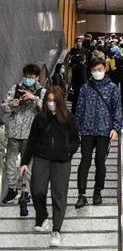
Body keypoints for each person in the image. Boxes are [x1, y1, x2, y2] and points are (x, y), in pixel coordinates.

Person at [19, 86, 79, 247]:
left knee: (59, 195)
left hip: (62, 162)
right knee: (37, 190)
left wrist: (68, 152)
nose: (51, 103)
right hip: (41, 158)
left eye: (54, 101)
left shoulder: (69, 119)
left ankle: (56, 230)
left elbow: (75, 140)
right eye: (49, 101)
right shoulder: (39, 118)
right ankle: (43, 215)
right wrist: (24, 162)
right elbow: (31, 141)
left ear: (60, 102)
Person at [75, 58, 123, 209]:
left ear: (105, 69)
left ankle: (98, 191)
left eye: (99, 69)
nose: (97, 72)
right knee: (85, 161)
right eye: (94, 70)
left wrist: (115, 128)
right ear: (90, 71)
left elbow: (117, 110)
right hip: (87, 130)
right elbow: (79, 109)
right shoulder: (85, 88)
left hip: (104, 131)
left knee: (100, 161)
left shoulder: (112, 88)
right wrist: (77, 128)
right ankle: (81, 194)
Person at [1, 64, 46, 204]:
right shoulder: (15, 88)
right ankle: (12, 189)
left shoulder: (41, 91)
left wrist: (34, 98)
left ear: (37, 77)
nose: (28, 79)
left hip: (31, 134)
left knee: (28, 164)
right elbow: (4, 106)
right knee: (10, 162)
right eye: (26, 76)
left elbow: (46, 108)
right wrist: (13, 104)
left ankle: (25, 191)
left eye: (32, 76)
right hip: (14, 131)